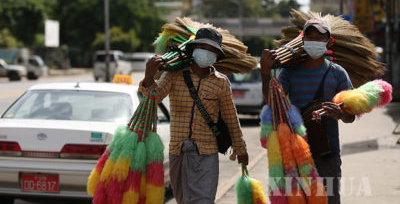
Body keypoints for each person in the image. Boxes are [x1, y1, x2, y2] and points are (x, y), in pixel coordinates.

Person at [140, 27, 249, 204]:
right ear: (193, 48)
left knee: (204, 201)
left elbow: (231, 118)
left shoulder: (221, 83)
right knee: (183, 200)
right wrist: (148, 76)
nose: (208, 53)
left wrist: (241, 149)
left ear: (217, 56)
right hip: (178, 151)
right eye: (204, 48)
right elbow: (153, 98)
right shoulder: (173, 75)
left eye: (213, 50)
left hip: (207, 153)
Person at [260, 18, 355, 204]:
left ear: (328, 41)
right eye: (310, 36)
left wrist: (341, 113)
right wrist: (265, 73)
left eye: (320, 37)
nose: (315, 41)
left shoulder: (338, 73)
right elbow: (273, 103)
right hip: (295, 153)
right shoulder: (289, 73)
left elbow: (350, 116)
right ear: (302, 41)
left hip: (327, 154)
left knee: (329, 200)